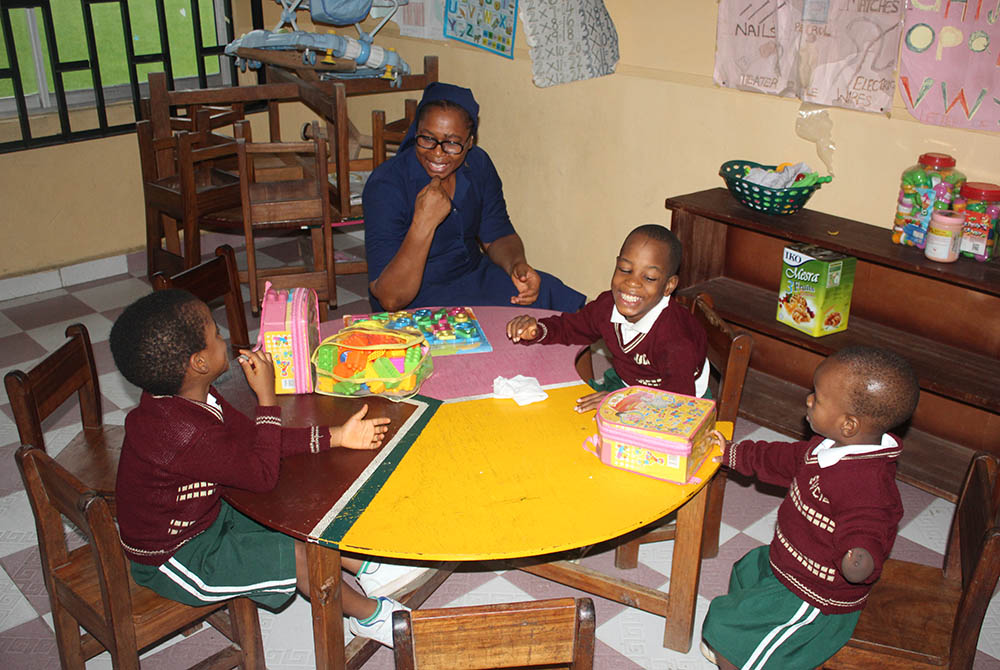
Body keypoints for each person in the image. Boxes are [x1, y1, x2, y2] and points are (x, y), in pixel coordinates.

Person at [109, 289, 428, 647]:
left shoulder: (190, 397)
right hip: (176, 558)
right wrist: (266, 397)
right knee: (296, 557)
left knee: (294, 515)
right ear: (198, 363)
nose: (224, 338)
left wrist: (336, 436)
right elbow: (262, 475)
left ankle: (366, 567)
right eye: (215, 334)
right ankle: (368, 616)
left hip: (205, 516)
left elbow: (257, 439)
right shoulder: (185, 434)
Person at [700, 346, 921, 669]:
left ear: (848, 424)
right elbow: (779, 459)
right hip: (789, 562)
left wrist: (859, 559)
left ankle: (743, 655)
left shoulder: (869, 484)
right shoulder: (826, 447)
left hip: (814, 596)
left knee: (722, 624)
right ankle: (747, 639)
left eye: (817, 397)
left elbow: (869, 527)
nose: (808, 400)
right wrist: (732, 454)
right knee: (747, 569)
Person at [362, 81, 586, 313]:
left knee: (561, 304)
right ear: (416, 133)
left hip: (472, 277)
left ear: (470, 142)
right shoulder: (387, 185)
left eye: (452, 143)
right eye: (427, 138)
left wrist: (516, 265)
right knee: (475, 339)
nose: (437, 152)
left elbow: (497, 233)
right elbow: (390, 299)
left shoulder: (477, 164)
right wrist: (423, 223)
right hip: (414, 296)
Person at [505, 224, 708, 412]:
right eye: (625, 270)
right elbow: (572, 327)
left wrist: (621, 401)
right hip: (627, 381)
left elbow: (678, 402)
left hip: (677, 399)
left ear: (669, 286)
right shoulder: (606, 306)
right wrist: (537, 330)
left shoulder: (675, 340)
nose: (631, 283)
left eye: (649, 278)